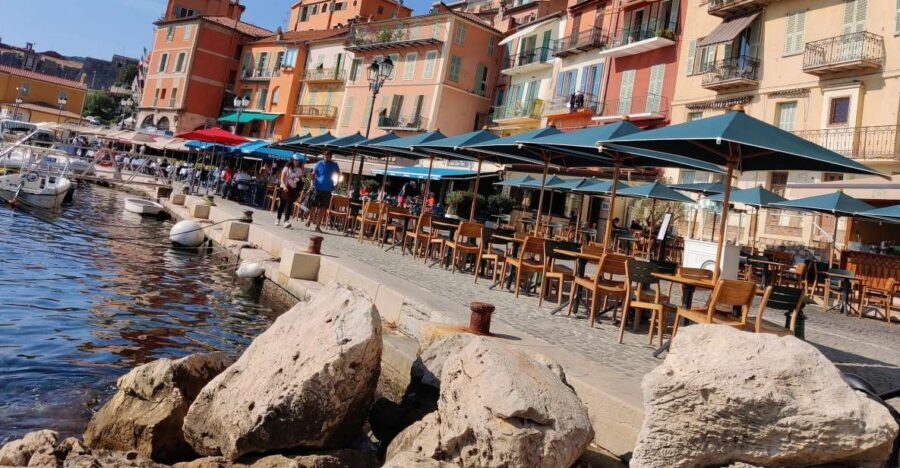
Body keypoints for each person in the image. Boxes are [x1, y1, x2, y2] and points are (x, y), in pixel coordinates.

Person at [306, 151, 340, 233]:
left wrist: (336, 184)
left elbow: (338, 175)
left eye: (328, 156)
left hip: (328, 190)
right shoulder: (319, 163)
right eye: (325, 156)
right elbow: (313, 174)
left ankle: (317, 226)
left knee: (323, 208)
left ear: (331, 157)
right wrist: (311, 184)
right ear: (323, 156)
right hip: (317, 188)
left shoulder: (334, 165)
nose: (326, 157)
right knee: (313, 205)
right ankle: (310, 218)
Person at [276, 156, 304, 227]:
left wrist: (297, 185)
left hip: (293, 189)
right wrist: (284, 186)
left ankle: (286, 221)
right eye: (295, 160)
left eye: (297, 161)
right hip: (284, 188)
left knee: (289, 205)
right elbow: (282, 178)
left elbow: (299, 180)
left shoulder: (299, 170)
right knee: (282, 204)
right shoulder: (287, 168)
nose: (296, 162)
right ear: (292, 160)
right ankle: (278, 219)